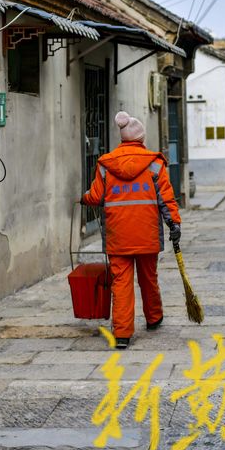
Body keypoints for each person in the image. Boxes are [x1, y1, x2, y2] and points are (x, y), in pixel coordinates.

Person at [81, 111, 181, 349]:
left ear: (122, 139)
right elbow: (166, 200)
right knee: (149, 278)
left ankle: (123, 334)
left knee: (121, 283)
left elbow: (95, 197)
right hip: (146, 234)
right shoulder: (155, 164)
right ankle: (154, 318)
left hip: (118, 236)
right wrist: (174, 224)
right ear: (141, 139)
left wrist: (83, 198)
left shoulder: (106, 164)